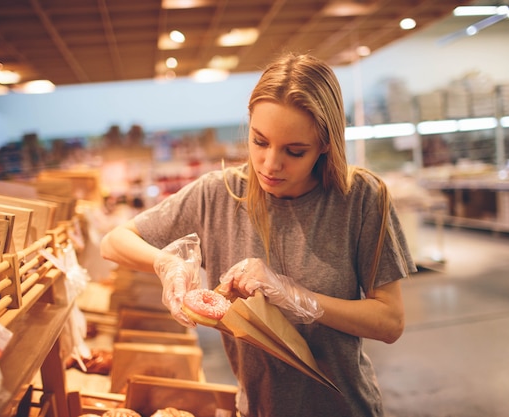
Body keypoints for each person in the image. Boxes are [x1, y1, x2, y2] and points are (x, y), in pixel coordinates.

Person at [100, 52, 416, 417]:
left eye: (295, 151)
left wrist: (297, 297)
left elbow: (390, 322)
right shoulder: (217, 194)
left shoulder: (361, 197)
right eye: (260, 142)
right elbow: (114, 242)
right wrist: (167, 263)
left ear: (326, 143)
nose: (270, 164)